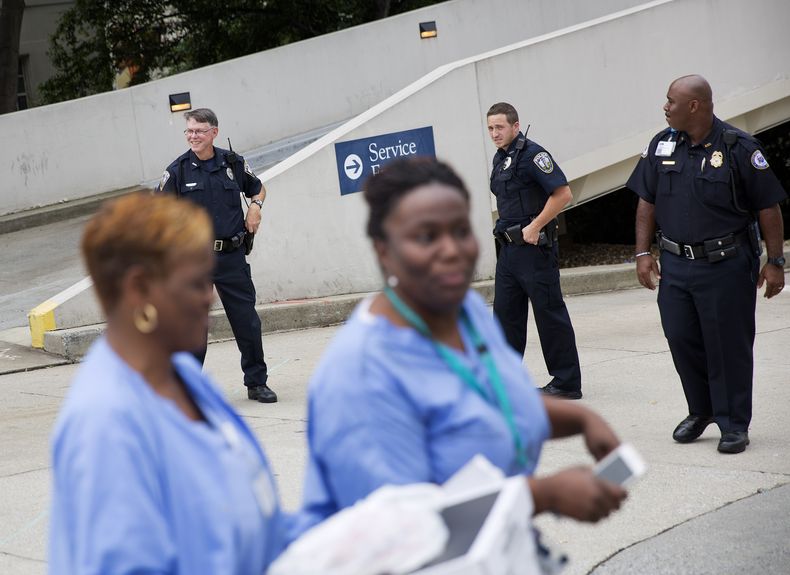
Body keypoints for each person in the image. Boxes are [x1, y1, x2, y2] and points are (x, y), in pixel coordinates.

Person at [293, 158, 626, 537]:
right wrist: (542, 495)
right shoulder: (360, 373)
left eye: (461, 230)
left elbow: (493, 400)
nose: (451, 250)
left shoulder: (463, 310)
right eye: (426, 236)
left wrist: (583, 421)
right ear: (383, 249)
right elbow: (395, 532)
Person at [49, 193, 288, 573]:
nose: (209, 297)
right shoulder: (105, 424)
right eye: (195, 282)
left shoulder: (186, 378)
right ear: (139, 288)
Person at [627, 74, 787, 454]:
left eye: (671, 101)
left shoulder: (738, 147)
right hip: (676, 265)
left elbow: (768, 206)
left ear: (694, 106)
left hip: (726, 264)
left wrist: (776, 261)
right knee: (682, 338)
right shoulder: (662, 144)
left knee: (727, 344)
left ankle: (733, 422)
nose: (665, 107)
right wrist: (642, 252)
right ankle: (701, 411)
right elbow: (646, 201)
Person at [158, 107, 275, 403]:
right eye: (189, 131)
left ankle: (257, 383)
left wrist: (255, 206)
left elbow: (258, 188)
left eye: (198, 131)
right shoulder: (177, 171)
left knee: (247, 321)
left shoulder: (232, 163)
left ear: (214, 132)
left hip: (231, 256)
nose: (192, 136)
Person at [487, 102, 583, 399]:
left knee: (549, 314)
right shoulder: (500, 158)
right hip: (508, 251)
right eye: (490, 128)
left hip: (534, 249)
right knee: (505, 317)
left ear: (515, 126)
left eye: (499, 127)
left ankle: (566, 383)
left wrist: (536, 225)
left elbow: (563, 193)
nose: (494, 133)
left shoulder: (533, 155)